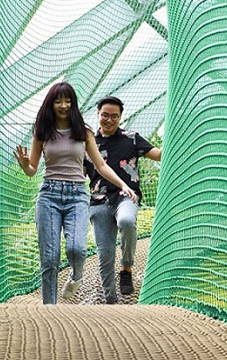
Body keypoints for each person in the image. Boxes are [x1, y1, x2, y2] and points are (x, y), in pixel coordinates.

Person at [14, 83, 137, 305]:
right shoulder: (42, 131)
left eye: (67, 100)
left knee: (77, 250)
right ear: (51, 104)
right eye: (58, 101)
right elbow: (32, 169)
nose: (63, 105)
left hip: (77, 196)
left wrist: (123, 185)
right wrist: (25, 165)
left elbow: (100, 166)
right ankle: (49, 309)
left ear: (73, 104)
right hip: (49, 195)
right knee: (49, 259)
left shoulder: (84, 132)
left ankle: (76, 275)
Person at [84, 96, 161, 304]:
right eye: (105, 115)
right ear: (98, 115)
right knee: (105, 252)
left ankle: (126, 268)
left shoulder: (131, 138)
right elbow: (79, 172)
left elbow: (159, 154)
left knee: (127, 221)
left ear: (120, 117)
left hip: (126, 195)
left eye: (114, 116)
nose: (109, 120)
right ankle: (111, 300)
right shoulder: (89, 143)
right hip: (98, 199)